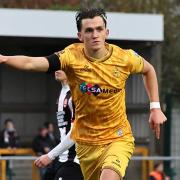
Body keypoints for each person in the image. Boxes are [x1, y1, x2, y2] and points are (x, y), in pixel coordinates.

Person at [0, 8, 167, 180]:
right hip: (86, 145)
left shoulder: (124, 58)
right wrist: (4, 58)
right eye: (89, 30)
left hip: (118, 138)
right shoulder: (71, 57)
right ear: (80, 35)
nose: (95, 34)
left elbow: (149, 70)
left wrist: (155, 107)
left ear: (106, 33)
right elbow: (31, 63)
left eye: (99, 29)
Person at [40, 70, 83, 180]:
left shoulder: (75, 95)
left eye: (63, 67)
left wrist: (50, 155)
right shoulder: (63, 91)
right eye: (57, 66)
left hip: (74, 159)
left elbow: (75, 134)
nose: (57, 70)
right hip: (61, 158)